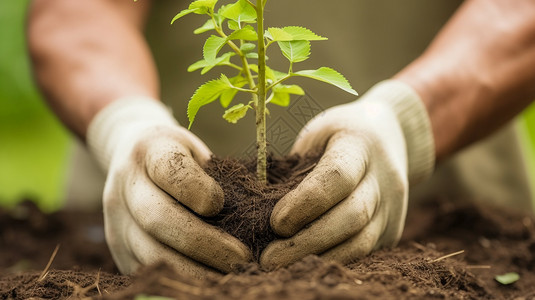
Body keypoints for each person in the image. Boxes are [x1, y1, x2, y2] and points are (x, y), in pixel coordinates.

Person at [27, 0, 535, 277]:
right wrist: (123, 122)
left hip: (454, 225)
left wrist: (404, 122)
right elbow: (74, 13)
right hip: (123, 238)